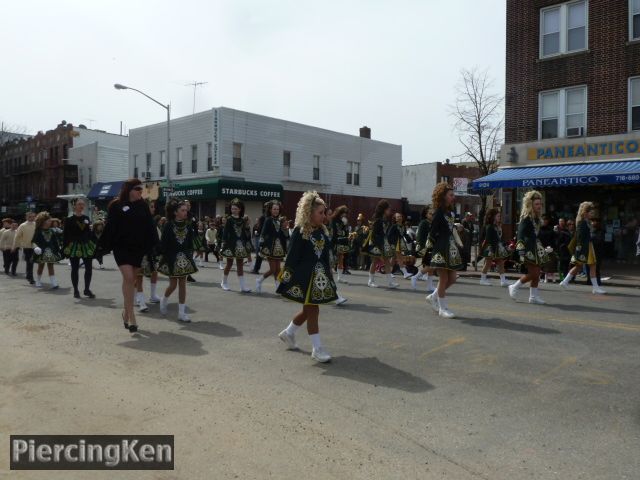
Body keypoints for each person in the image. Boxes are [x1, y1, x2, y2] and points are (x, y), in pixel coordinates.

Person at [276, 191, 337, 363]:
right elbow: (293, 256)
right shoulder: (300, 231)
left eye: (324, 212)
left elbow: (325, 255)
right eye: (320, 213)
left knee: (307, 310)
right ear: (309, 213)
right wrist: (286, 276)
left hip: (320, 278)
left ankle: (288, 333)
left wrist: (330, 275)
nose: (324, 216)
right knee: (313, 311)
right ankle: (317, 349)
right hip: (306, 278)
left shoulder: (323, 231)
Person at [100, 178, 158, 332]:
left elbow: (150, 227)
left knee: (131, 281)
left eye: (141, 189)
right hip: (121, 248)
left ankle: (126, 313)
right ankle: (132, 317)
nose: (141, 192)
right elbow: (110, 228)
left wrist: (155, 246)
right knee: (129, 278)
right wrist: (101, 246)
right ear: (129, 190)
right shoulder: (116, 205)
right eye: (138, 189)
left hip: (138, 248)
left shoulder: (143, 206)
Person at [425, 183, 464, 318]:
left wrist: (456, 229)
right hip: (441, 249)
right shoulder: (438, 213)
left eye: (453, 195)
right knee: (444, 278)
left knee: (452, 278)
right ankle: (443, 308)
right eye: (451, 195)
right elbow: (432, 233)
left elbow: (449, 229)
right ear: (443, 197)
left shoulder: (450, 212)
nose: (453, 197)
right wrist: (427, 250)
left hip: (451, 248)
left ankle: (433, 296)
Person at [157, 199, 198, 322]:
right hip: (171, 258)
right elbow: (164, 243)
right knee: (173, 285)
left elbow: (190, 242)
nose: (186, 212)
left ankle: (181, 313)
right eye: (183, 210)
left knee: (182, 284)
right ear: (175, 212)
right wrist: (160, 256)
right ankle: (164, 299)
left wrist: (190, 255)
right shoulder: (168, 225)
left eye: (186, 210)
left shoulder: (188, 225)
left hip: (184, 258)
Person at [508, 190, 552, 304]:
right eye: (536, 204)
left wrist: (542, 247)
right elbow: (520, 236)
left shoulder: (536, 219)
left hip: (535, 248)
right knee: (534, 273)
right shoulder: (526, 218)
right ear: (530, 205)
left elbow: (535, 236)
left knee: (537, 273)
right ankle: (514, 286)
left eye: (540, 204)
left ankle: (533, 297)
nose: (539, 206)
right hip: (528, 249)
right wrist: (521, 251)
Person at [559, 201, 606, 294]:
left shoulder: (582, 222)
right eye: (591, 212)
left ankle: (564, 281)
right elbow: (580, 237)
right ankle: (595, 288)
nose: (592, 214)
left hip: (585, 246)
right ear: (585, 212)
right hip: (586, 247)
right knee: (592, 266)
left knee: (579, 266)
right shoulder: (582, 223)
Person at [63, 198, 96, 299]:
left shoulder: (86, 217)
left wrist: (94, 242)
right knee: (75, 268)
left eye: (83, 204)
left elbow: (89, 232)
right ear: (74, 206)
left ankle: (86, 289)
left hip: (86, 245)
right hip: (74, 246)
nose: (81, 206)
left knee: (89, 268)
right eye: (79, 204)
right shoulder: (69, 220)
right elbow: (66, 235)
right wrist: (65, 248)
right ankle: (76, 290)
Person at [220, 198, 252, 292]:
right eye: (232, 208)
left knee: (240, 265)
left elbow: (244, 233)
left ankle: (242, 286)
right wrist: (223, 243)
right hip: (230, 244)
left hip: (240, 245)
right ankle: (224, 282)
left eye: (235, 209)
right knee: (229, 264)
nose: (233, 210)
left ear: (240, 209)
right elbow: (225, 233)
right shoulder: (229, 219)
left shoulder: (242, 220)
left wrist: (247, 227)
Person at [256, 200, 288, 293]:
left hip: (279, 248)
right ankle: (259, 280)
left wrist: (285, 229)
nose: (276, 211)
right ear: (270, 210)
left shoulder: (280, 220)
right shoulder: (268, 220)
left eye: (277, 209)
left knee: (278, 269)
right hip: (270, 248)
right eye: (274, 209)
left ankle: (278, 287)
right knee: (273, 269)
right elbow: (263, 233)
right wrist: (261, 246)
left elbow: (284, 235)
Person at [365, 200, 398, 288]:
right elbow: (374, 234)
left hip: (383, 243)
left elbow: (385, 233)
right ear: (384, 210)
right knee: (375, 261)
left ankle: (390, 282)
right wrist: (380, 244)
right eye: (388, 209)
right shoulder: (378, 220)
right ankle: (370, 281)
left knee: (387, 261)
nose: (390, 211)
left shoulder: (385, 220)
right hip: (376, 243)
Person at [32, 211, 63, 289]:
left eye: (50, 220)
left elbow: (55, 242)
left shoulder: (51, 231)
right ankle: (38, 280)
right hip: (41, 252)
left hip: (51, 252)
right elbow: (33, 241)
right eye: (48, 220)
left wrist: (58, 251)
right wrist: (36, 247)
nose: (50, 222)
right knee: (41, 266)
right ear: (43, 221)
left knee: (51, 266)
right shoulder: (38, 231)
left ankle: (54, 282)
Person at [479, 208, 510, 287]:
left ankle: (503, 280)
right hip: (491, 247)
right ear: (493, 217)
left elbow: (499, 237)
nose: (499, 217)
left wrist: (503, 245)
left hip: (496, 246)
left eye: (500, 216)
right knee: (488, 263)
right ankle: (482, 279)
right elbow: (488, 239)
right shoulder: (489, 226)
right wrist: (491, 249)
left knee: (500, 262)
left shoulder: (496, 226)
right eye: (498, 216)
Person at [411, 206, 436, 292]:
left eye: (433, 213)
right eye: (430, 213)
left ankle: (430, 286)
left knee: (432, 266)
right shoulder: (424, 223)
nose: (432, 215)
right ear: (426, 214)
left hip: (432, 247)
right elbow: (420, 237)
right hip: (426, 247)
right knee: (431, 266)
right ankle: (415, 277)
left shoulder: (432, 223)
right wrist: (421, 247)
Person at [12, 211, 36, 284]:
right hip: (26, 247)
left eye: (33, 216)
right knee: (30, 262)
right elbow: (17, 236)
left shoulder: (36, 224)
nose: (32, 218)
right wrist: (14, 246)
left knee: (30, 262)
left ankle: (28, 275)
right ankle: (30, 277)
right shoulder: (22, 225)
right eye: (30, 216)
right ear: (26, 217)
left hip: (35, 247)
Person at [331, 206, 351, 283]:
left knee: (341, 259)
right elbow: (334, 232)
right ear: (340, 212)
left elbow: (346, 233)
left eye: (345, 214)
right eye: (343, 213)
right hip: (335, 241)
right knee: (331, 259)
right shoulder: (334, 220)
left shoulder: (343, 221)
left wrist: (345, 225)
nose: (344, 215)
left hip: (342, 242)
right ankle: (330, 276)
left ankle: (340, 277)